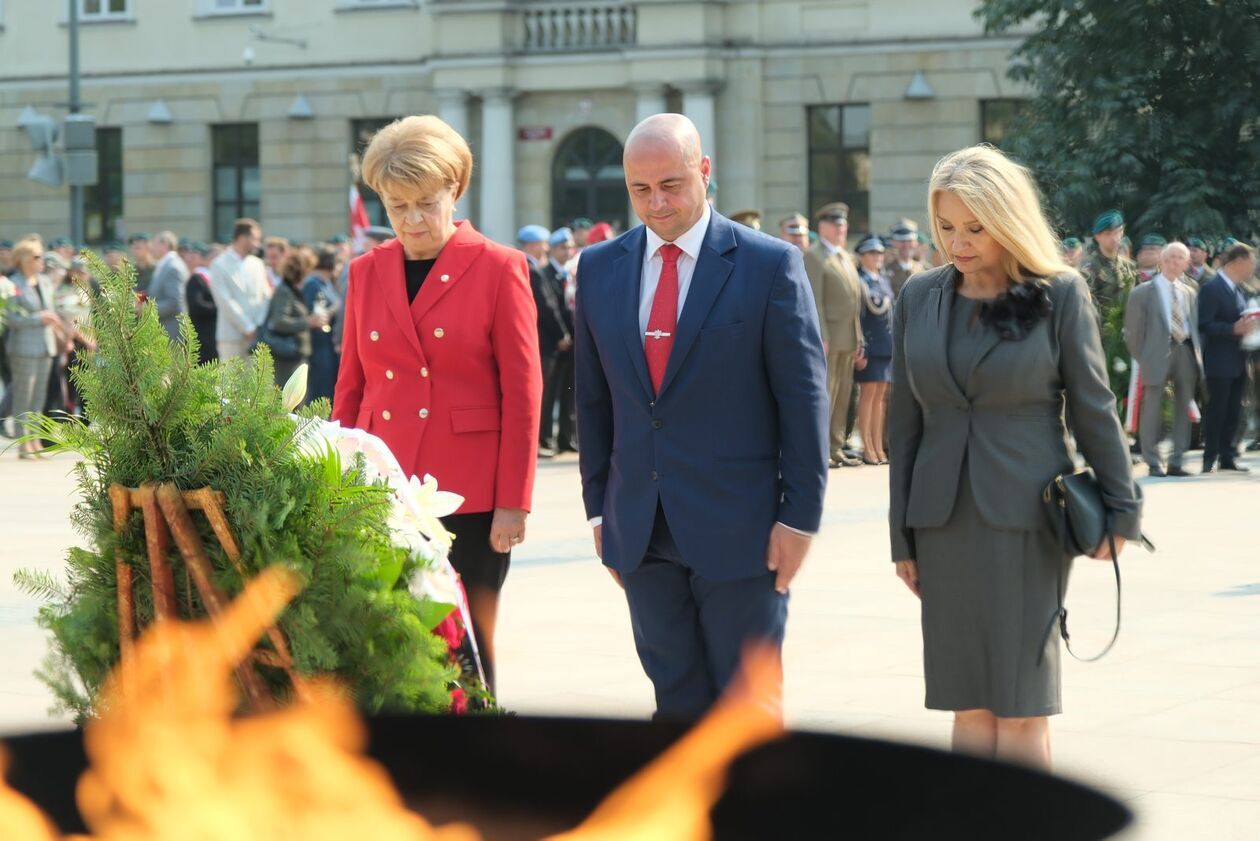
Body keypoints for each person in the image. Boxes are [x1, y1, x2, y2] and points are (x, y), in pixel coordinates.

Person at [889, 146, 1142, 771]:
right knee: (967, 701)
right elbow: (906, 425)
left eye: (975, 227)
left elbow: (1093, 407)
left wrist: (1121, 509)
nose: (959, 242)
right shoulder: (918, 297)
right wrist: (902, 537)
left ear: (1008, 220)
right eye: (946, 226)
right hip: (941, 522)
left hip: (1028, 518)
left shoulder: (1059, 293)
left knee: (1021, 703)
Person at [575, 113, 829, 718]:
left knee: (745, 711)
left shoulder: (770, 265)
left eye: (671, 184)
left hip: (743, 531)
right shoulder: (600, 268)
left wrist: (800, 518)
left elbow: (804, 398)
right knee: (676, 706)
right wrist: (597, 511)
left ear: (704, 172)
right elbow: (593, 399)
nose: (657, 203)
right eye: (641, 190)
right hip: (640, 529)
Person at [332, 115, 542, 693]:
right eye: (397, 206)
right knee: (387, 638)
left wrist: (513, 502)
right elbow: (352, 387)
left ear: (456, 189)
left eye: (426, 202)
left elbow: (523, 393)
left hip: (471, 496)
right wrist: (332, 485)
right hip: (383, 489)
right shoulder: (365, 272)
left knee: (469, 644)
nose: (412, 220)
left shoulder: (501, 267)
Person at [1124, 242, 1201, 477]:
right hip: (1155, 354)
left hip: (1184, 351)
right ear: (1161, 260)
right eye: (1169, 257)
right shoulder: (1142, 292)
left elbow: (1194, 326)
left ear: (1186, 263)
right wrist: (1143, 356)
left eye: (1179, 257)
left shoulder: (1189, 291)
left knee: (1183, 406)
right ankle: (1153, 462)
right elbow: (1133, 332)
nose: (1173, 261)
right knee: (1152, 408)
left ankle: (1177, 461)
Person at [803, 202, 865, 468]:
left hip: (848, 337)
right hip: (829, 338)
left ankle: (837, 446)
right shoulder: (815, 256)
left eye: (844, 225)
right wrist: (821, 335)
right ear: (823, 227)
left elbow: (854, 301)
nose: (842, 229)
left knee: (843, 395)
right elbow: (814, 299)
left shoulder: (845, 257)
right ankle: (820, 448)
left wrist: (859, 336)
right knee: (826, 393)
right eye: (837, 225)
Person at [1198, 242, 1259, 473]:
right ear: (1237, 262)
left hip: (1239, 359)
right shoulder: (1212, 288)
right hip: (1219, 360)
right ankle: (1209, 458)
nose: (1252, 268)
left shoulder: (1239, 288)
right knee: (1217, 410)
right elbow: (1204, 324)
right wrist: (1232, 329)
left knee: (1234, 410)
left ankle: (1227, 456)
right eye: (1250, 263)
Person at [5, 238, 61, 459]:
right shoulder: (13, 284)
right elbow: (12, 318)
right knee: (23, 396)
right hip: (23, 347)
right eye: (37, 256)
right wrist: (40, 318)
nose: (41, 260)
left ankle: (35, 439)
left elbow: (52, 308)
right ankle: (23, 442)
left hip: (46, 347)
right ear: (24, 259)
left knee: (39, 397)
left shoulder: (45, 282)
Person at [519, 224, 569, 459]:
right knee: (544, 395)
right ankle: (539, 440)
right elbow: (547, 308)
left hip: (539, 342)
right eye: (542, 243)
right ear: (532, 245)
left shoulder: (529, 267)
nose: (546, 248)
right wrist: (562, 335)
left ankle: (540, 439)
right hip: (545, 343)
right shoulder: (533, 270)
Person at [854, 234, 892, 465]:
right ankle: (866, 446)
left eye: (879, 253)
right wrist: (862, 347)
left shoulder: (882, 279)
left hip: (886, 345)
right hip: (870, 345)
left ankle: (878, 446)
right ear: (861, 256)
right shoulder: (861, 280)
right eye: (872, 253)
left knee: (881, 397)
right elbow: (859, 315)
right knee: (868, 396)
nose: (877, 257)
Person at [209, 219, 271, 360]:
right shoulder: (219, 264)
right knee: (231, 381)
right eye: (255, 239)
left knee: (256, 381)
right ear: (242, 238)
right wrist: (247, 327)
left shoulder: (258, 264)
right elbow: (224, 300)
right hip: (230, 336)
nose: (257, 244)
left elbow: (266, 295)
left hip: (256, 337)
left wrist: (257, 325)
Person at [263, 249, 325, 387]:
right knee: (288, 402)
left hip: (295, 353)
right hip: (287, 355)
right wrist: (308, 322)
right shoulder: (284, 291)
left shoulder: (292, 290)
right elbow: (279, 321)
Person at [544, 227, 579, 452]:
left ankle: (567, 438)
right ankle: (547, 438)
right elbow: (549, 309)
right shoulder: (545, 273)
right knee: (549, 395)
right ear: (553, 249)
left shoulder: (570, 273)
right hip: (554, 345)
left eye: (570, 247)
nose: (567, 251)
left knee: (569, 394)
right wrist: (561, 335)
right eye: (563, 247)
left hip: (573, 343)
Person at [300, 245, 343, 405]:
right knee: (319, 391)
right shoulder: (313, 283)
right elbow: (315, 314)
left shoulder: (326, 283)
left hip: (328, 345)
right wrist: (336, 308)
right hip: (318, 345)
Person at [148, 231, 190, 341]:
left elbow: (174, 302)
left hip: (172, 332)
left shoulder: (172, 267)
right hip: (166, 330)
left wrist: (147, 310)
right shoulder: (165, 264)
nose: (152, 248)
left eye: (155, 243)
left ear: (165, 244)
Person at [185, 243, 218, 365]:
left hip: (211, 334)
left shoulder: (209, 276)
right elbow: (197, 305)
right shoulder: (197, 279)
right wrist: (218, 308)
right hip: (202, 335)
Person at [884, 222, 925, 298]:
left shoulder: (924, 269)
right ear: (893, 243)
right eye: (902, 241)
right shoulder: (885, 271)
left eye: (909, 241)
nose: (906, 246)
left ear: (915, 242)